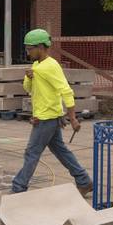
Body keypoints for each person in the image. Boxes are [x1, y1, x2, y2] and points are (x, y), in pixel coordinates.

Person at [10, 28, 93, 195]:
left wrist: (73, 118)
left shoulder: (50, 66)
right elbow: (28, 88)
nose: (27, 52)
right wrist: (29, 77)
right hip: (50, 117)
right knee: (61, 151)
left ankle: (18, 188)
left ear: (40, 47)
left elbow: (66, 91)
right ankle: (84, 181)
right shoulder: (36, 65)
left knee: (31, 153)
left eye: (29, 48)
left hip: (47, 119)